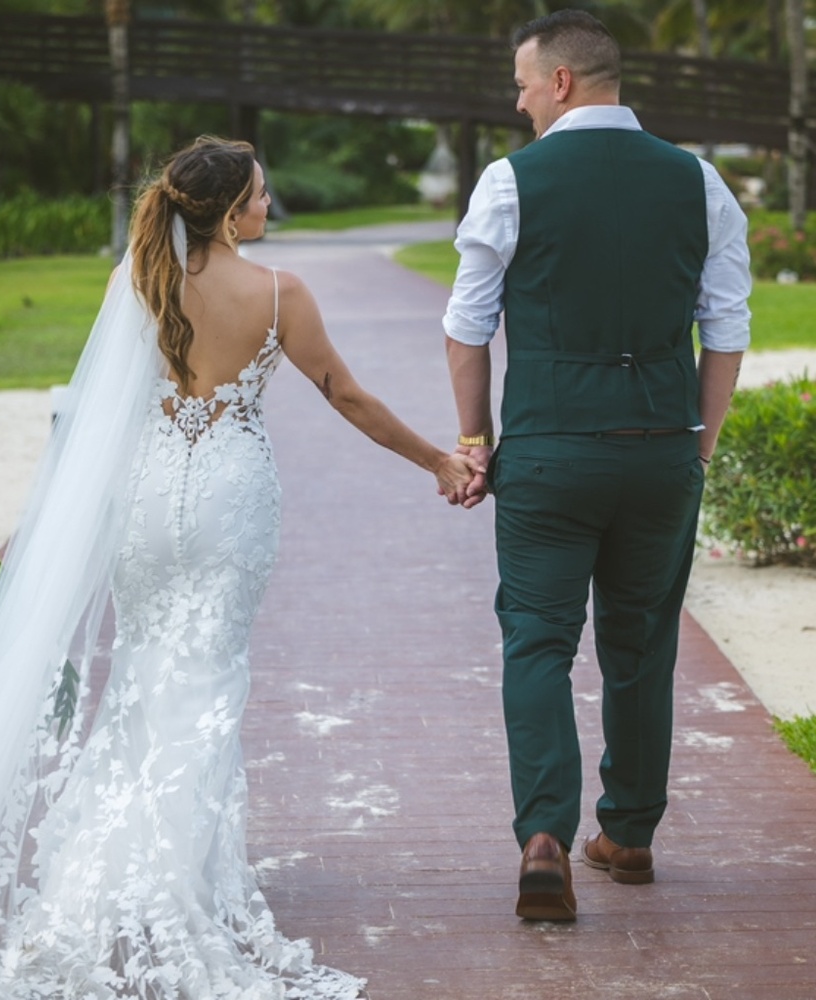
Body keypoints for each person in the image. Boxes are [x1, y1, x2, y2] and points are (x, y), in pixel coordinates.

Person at [0, 136, 476, 999]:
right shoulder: (280, 294)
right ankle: (179, 876)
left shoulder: (142, 277)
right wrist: (438, 460)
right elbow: (347, 397)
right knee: (207, 682)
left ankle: (113, 867)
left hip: (146, 497)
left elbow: (106, 410)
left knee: (140, 677)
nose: (268, 204)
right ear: (226, 209)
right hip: (228, 500)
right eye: (258, 193)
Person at [442, 10, 750, 922]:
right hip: (659, 449)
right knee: (643, 644)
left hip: (546, 451)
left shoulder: (511, 180)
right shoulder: (699, 181)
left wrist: (476, 442)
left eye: (525, 83)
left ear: (564, 83)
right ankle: (629, 834)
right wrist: (697, 442)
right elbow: (725, 328)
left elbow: (467, 325)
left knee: (537, 640)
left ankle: (544, 837)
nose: (520, 98)